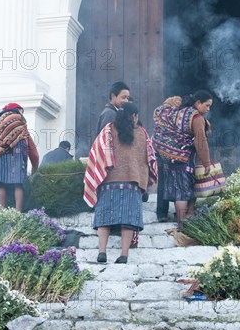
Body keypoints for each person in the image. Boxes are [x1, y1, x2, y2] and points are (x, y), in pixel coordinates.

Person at [84, 102, 157, 264]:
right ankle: (124, 254)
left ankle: (102, 252)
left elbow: (96, 152)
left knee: (104, 218)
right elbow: (149, 158)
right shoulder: (141, 134)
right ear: (134, 116)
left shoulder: (107, 131)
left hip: (109, 181)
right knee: (128, 219)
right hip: (133, 183)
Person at [160, 90, 213, 227]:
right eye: (206, 105)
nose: (208, 109)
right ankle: (182, 225)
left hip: (170, 158)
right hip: (185, 160)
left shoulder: (180, 113)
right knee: (183, 194)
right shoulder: (196, 118)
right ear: (198, 103)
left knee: (179, 192)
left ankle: (181, 222)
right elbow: (200, 141)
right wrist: (206, 162)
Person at [0, 102, 39, 212]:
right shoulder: (21, 125)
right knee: (18, 183)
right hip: (16, 155)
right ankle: (17, 212)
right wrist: (34, 169)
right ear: (17, 110)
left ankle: (2, 212)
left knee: (1, 184)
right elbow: (32, 150)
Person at [151, 95, 183, 222]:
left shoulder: (157, 112)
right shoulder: (177, 114)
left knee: (162, 182)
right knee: (177, 182)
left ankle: (161, 213)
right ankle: (179, 213)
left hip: (159, 150)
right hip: (174, 152)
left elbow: (159, 131)